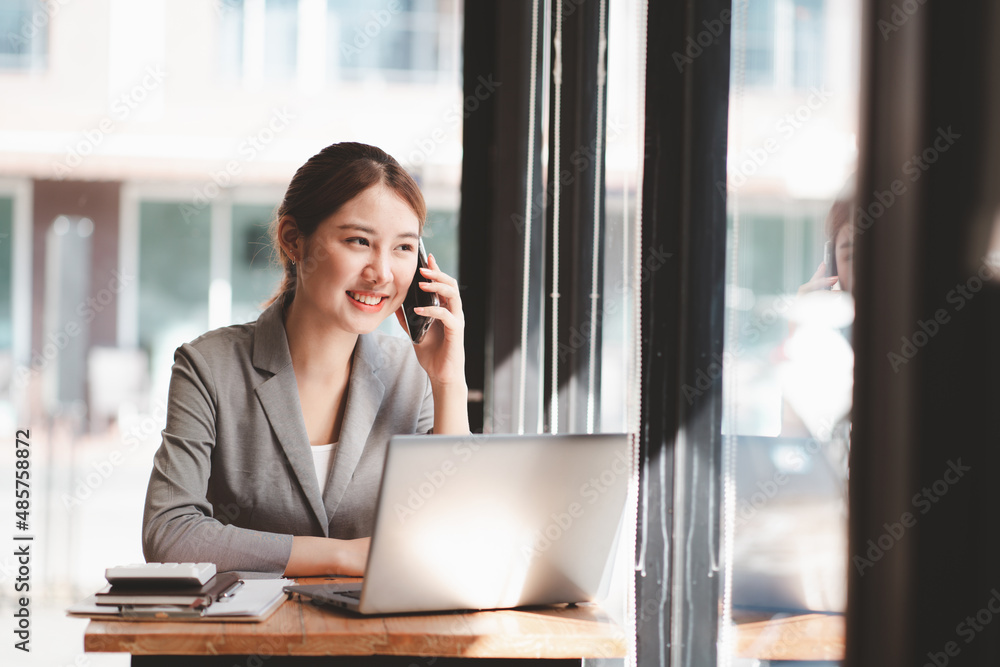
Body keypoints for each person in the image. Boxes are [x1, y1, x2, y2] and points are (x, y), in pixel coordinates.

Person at [142, 142, 469, 576]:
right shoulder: (209, 366)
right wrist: (344, 555)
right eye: (359, 241)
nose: (383, 273)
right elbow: (171, 533)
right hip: (245, 639)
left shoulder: (412, 374)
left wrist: (449, 384)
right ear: (293, 240)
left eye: (403, 248)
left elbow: (454, 536)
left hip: (377, 637)